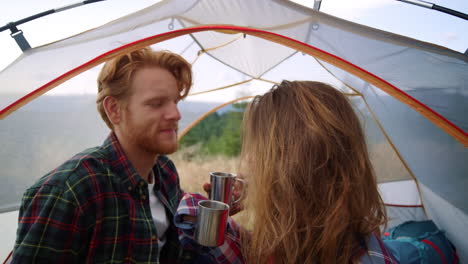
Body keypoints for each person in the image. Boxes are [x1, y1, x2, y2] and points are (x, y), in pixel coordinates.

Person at [11, 47, 202, 263]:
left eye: (175, 101)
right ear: (114, 110)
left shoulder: (165, 172)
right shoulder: (70, 191)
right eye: (156, 103)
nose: (176, 114)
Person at [175, 81, 398, 263]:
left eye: (259, 150)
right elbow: (192, 218)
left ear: (295, 168)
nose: (248, 159)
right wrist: (219, 211)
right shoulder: (280, 241)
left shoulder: (370, 259)